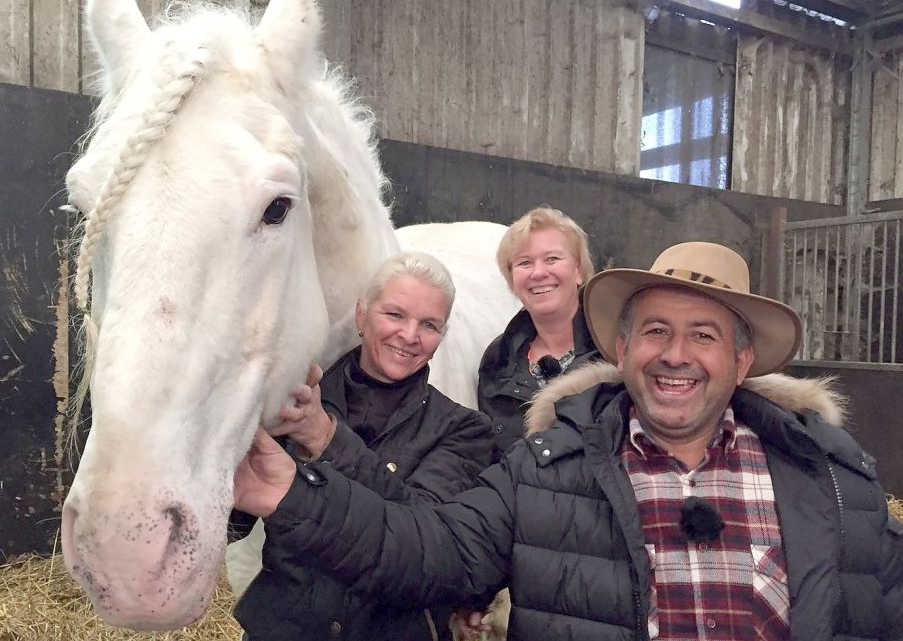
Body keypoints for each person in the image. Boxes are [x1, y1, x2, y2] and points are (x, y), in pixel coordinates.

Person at [233, 242, 903, 640]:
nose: (675, 354)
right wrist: (289, 491)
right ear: (619, 346)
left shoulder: (833, 480)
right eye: (655, 331)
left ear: (741, 357)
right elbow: (429, 549)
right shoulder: (547, 469)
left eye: (703, 334)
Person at [231, 251, 494, 641]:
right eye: (394, 315)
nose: (409, 335)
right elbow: (232, 525)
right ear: (360, 316)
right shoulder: (298, 398)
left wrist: (325, 437)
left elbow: (427, 544)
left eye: (428, 324)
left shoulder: (464, 430)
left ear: (441, 337)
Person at [478, 206, 600, 463]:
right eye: (524, 263)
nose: (538, 272)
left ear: (578, 271)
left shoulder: (612, 348)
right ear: (512, 280)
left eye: (552, 259)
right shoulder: (499, 357)